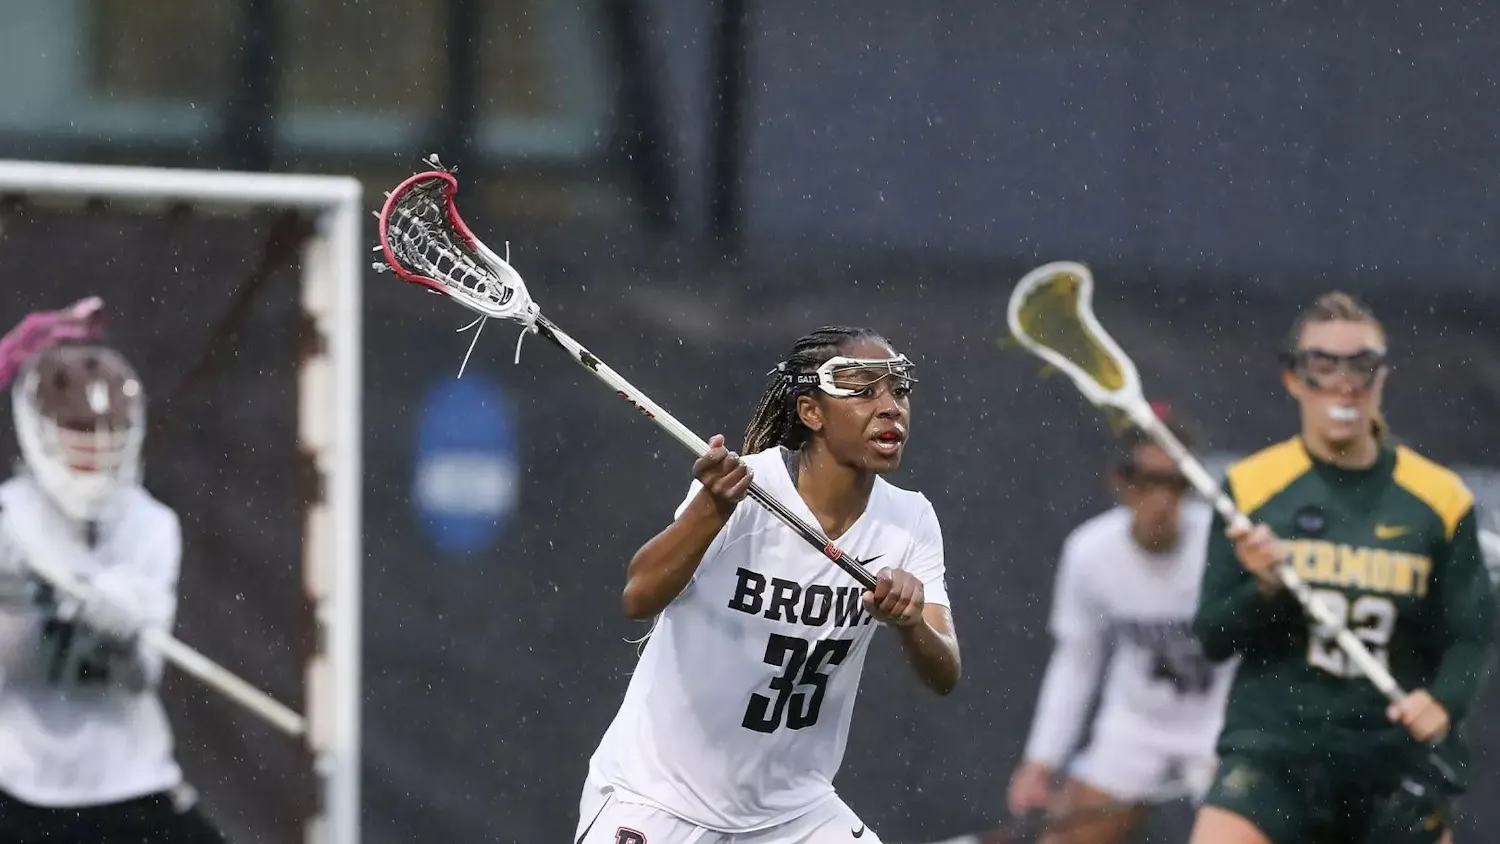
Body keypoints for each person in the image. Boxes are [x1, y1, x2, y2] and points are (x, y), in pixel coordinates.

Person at [575, 326, 961, 844]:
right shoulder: (743, 488)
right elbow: (638, 596)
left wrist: (911, 623)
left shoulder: (910, 520)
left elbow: (945, 672)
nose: (891, 407)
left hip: (793, 814)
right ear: (811, 413)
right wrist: (711, 508)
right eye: (865, 390)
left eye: (898, 390)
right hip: (659, 798)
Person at [1189, 291, 1497, 844]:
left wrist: (1445, 700)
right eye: (1322, 365)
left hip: (1391, 761)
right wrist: (1261, 587)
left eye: (1362, 365)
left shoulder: (1439, 499)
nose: (1343, 382)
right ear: (1293, 379)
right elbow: (1213, 634)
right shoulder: (1253, 488)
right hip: (1274, 756)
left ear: (1383, 378)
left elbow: (1472, 632)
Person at [0, 301, 225, 843]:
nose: (94, 452)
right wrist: (30, 593)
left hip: (130, 785)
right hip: (17, 784)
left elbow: (138, 677)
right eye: (78, 434)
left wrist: (120, 632)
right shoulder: (9, 519)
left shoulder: (151, 526)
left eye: (108, 433)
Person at [1005, 408, 1235, 844]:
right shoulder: (1090, 553)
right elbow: (1077, 662)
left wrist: (1248, 747)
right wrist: (1041, 760)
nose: (1161, 498)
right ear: (1120, 481)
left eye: (1175, 482)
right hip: (1133, 727)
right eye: (1146, 479)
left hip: (1219, 730)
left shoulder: (1222, 547)